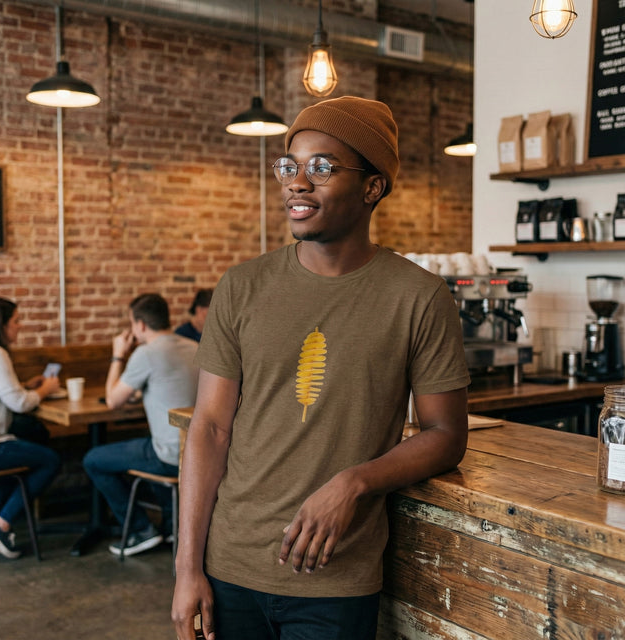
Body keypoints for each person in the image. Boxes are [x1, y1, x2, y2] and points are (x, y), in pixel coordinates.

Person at [171, 96, 470, 640]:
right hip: (230, 565)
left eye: (322, 168)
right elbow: (210, 429)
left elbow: (446, 435)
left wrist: (353, 482)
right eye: (290, 166)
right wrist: (186, 567)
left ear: (372, 187)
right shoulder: (242, 287)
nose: (296, 183)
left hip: (335, 580)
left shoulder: (420, 297)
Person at [83, 293, 199, 556]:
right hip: (200, 452)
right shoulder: (193, 346)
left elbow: (113, 400)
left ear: (141, 325)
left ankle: (140, 530)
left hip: (170, 455)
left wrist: (117, 355)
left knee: (93, 459)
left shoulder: (145, 354)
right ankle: (172, 528)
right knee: (151, 444)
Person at [0, 297, 62, 559]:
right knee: (49, 460)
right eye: (16, 321)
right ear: (1, 325)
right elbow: (18, 404)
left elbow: (4, 395)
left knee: (19, 457)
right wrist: (45, 389)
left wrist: (28, 386)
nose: (20, 326)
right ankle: (2, 524)